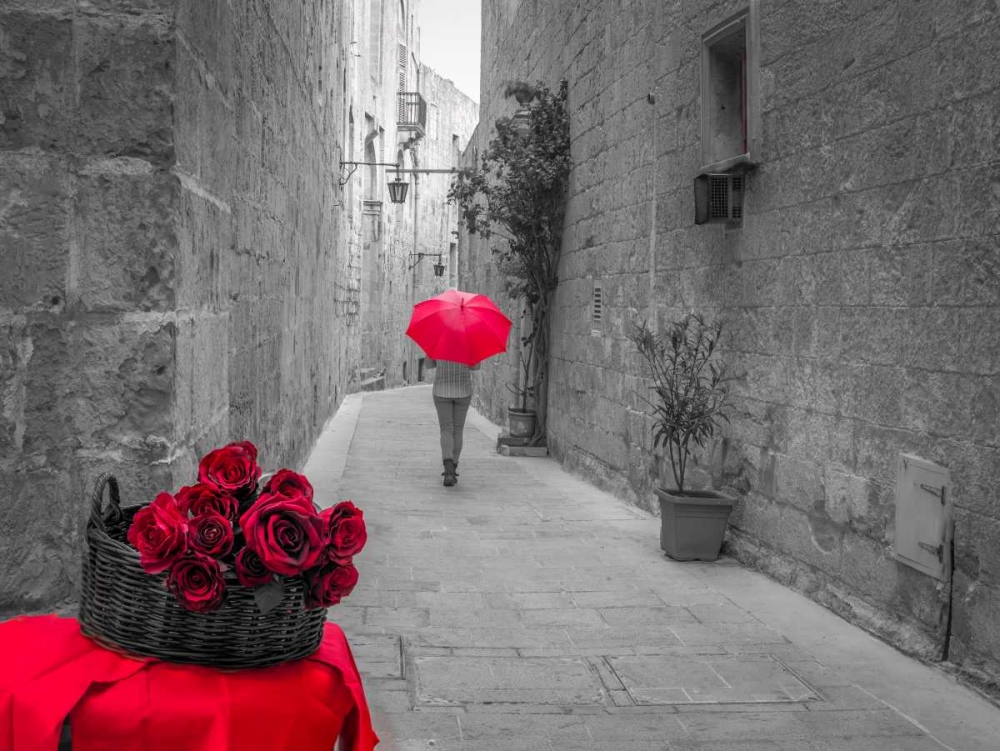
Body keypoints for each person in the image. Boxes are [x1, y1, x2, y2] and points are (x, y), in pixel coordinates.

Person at [427, 358, 480, 486]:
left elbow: (429, 365)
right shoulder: (469, 341)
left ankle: (448, 467)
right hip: (463, 391)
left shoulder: (437, 340)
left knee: (446, 429)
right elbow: (475, 367)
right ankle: (453, 468)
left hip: (441, 391)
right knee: (458, 429)